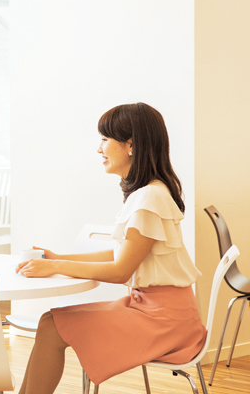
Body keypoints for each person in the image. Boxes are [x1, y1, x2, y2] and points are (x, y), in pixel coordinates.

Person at [16, 103, 205, 394]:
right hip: (155, 309)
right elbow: (123, 255)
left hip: (165, 321)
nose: (99, 148)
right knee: (49, 321)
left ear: (130, 144)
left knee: (53, 327)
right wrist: (59, 257)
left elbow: (120, 271)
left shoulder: (149, 197)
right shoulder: (149, 193)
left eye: (105, 139)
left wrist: (54, 267)